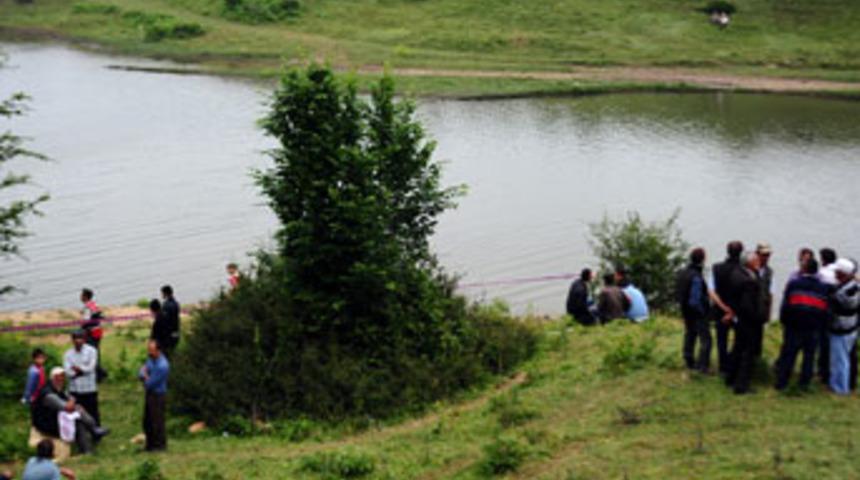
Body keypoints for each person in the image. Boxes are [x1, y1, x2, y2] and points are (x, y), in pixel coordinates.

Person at [774, 258, 830, 390]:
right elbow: (824, 310)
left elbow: (786, 305)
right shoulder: (823, 288)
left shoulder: (794, 284)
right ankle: (804, 383)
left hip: (794, 326)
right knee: (809, 356)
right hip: (813, 327)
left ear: (804, 269)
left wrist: (784, 321)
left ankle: (782, 382)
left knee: (789, 355)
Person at [30, 368, 108, 458]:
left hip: (57, 417)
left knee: (78, 417)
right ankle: (92, 432)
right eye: (59, 378)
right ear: (53, 378)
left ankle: (88, 445)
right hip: (46, 424)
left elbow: (70, 399)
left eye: (63, 377)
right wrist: (74, 405)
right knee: (78, 420)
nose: (62, 380)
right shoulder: (49, 395)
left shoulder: (59, 389)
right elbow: (67, 407)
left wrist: (74, 404)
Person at [725, 251, 763, 394]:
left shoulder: (736, 274)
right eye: (756, 260)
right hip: (748, 321)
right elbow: (748, 305)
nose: (758, 262)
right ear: (749, 262)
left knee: (737, 348)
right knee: (747, 353)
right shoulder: (749, 281)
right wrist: (756, 317)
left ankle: (731, 378)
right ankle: (742, 385)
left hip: (738, 318)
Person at [676, 248, 712, 372]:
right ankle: (702, 366)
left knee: (690, 334)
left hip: (685, 310)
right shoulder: (696, 276)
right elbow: (695, 299)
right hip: (697, 313)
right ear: (703, 259)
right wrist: (703, 311)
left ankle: (688, 359)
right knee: (705, 339)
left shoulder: (682, 273)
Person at [828, 258, 859, 395]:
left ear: (843, 274)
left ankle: (841, 389)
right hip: (852, 326)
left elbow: (834, 299)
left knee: (840, 360)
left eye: (837, 272)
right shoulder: (854, 286)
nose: (835, 274)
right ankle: (836, 384)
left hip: (842, 328)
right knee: (841, 358)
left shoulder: (846, 292)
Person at [712, 241, 743, 375]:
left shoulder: (716, 268)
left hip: (720, 310)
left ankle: (723, 366)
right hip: (739, 310)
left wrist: (724, 308)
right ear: (741, 252)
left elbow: (712, 291)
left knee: (721, 340)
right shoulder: (744, 270)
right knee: (739, 339)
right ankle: (734, 364)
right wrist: (733, 311)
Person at [63, 331, 100, 426]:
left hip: (89, 387)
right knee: (76, 412)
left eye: (80, 338)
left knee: (92, 411)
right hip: (75, 389)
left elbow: (91, 368)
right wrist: (83, 370)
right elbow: (68, 372)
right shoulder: (68, 354)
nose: (78, 341)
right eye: (75, 338)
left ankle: (95, 431)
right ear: (72, 340)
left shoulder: (92, 351)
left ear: (84, 339)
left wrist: (77, 369)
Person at [139, 339, 170, 452]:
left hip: (158, 395)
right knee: (147, 421)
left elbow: (149, 383)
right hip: (150, 394)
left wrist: (146, 376)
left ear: (158, 351)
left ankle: (160, 445)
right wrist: (145, 375)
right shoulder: (151, 359)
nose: (149, 352)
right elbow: (141, 371)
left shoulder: (163, 366)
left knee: (157, 421)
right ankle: (150, 445)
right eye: (149, 350)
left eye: (152, 350)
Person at [818, 248, 838, 383]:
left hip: (825, 311)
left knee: (824, 343)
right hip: (839, 312)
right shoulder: (840, 272)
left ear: (823, 260)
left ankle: (823, 372)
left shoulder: (822, 273)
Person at [79, 289, 107, 383]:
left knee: (91, 354)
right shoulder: (94, 304)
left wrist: (81, 327)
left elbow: (86, 323)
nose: (80, 297)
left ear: (85, 297)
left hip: (91, 333)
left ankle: (99, 375)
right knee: (95, 353)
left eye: (81, 295)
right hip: (98, 332)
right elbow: (101, 315)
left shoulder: (87, 307)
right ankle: (99, 373)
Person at [753, 243, 774, 356]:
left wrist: (768, 314)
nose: (766, 257)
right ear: (757, 254)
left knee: (758, 339)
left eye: (768, 255)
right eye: (764, 255)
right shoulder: (748, 268)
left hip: (761, 311)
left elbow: (770, 293)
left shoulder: (769, 272)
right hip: (748, 310)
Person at [160, 285, 180, 357]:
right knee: (172, 352)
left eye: (162, 293)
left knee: (166, 355)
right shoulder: (176, 303)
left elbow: (165, 321)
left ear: (165, 293)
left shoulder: (166, 305)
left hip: (168, 334)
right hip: (176, 331)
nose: (161, 295)